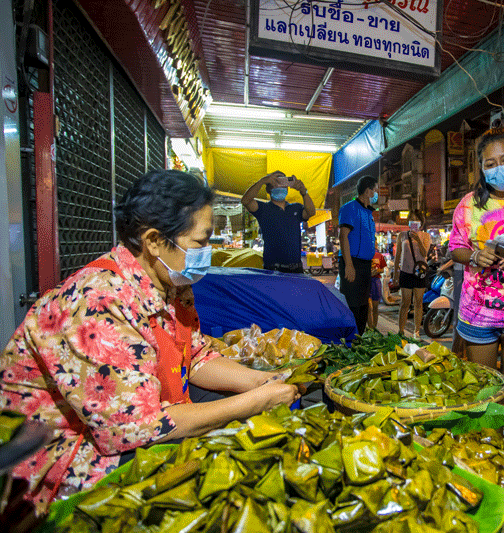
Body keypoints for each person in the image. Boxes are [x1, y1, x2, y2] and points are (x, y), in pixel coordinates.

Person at [0, 170, 300, 513]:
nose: (208, 252)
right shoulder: (99, 301)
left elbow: (196, 357)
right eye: (200, 242)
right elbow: (137, 428)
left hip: (141, 418)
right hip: (62, 459)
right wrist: (255, 402)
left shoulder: (173, 286)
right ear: (155, 241)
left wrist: (263, 381)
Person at [449, 127, 504, 413]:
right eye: (491, 164)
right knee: (482, 384)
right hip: (477, 312)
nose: (500, 169)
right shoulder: (468, 205)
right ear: (482, 169)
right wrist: (474, 256)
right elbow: (456, 247)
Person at [241, 170, 316, 273]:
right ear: (268, 189)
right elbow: (245, 200)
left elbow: (311, 212)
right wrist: (262, 181)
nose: (280, 186)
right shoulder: (263, 208)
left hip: (296, 269)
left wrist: (304, 191)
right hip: (273, 270)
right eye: (275, 182)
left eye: (283, 182)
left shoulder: (296, 208)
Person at [338, 175, 379, 334]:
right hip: (352, 262)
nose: (376, 193)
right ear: (368, 191)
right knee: (352, 306)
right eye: (375, 190)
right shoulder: (349, 208)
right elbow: (343, 236)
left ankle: (358, 340)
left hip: (364, 265)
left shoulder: (368, 213)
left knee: (363, 306)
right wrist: (349, 265)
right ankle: (348, 342)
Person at [393, 212, 432, 339]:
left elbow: (424, 253)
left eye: (416, 220)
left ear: (421, 222)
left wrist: (418, 240)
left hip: (420, 273)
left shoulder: (426, 236)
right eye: (411, 220)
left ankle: (416, 332)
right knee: (405, 302)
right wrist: (395, 274)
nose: (413, 222)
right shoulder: (402, 235)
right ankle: (401, 330)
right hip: (405, 272)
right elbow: (398, 255)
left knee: (418, 302)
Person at [368, 245, 387, 330]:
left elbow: (383, 269)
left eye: (375, 243)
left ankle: (374, 328)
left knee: (375, 307)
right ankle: (370, 327)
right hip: (367, 282)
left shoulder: (380, 256)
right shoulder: (364, 255)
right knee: (369, 307)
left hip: (376, 282)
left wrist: (378, 271)